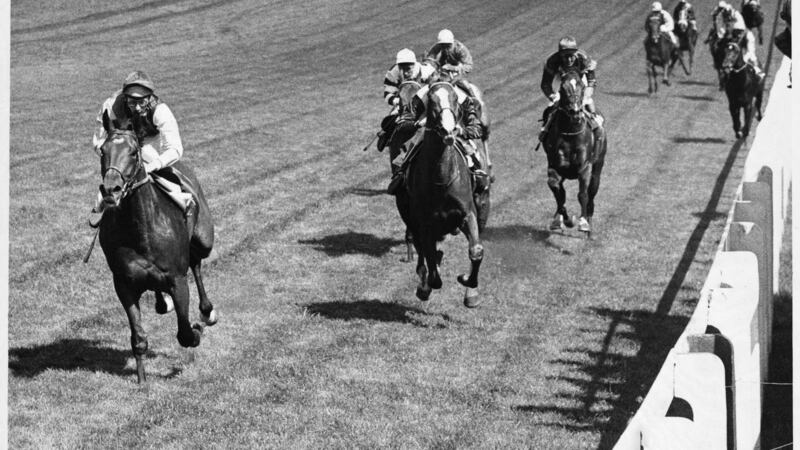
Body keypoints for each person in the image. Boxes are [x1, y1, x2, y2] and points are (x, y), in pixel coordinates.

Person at [90, 71, 193, 225]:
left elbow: (175, 148)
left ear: (149, 98)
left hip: (151, 142)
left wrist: (152, 165)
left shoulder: (160, 111)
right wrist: (114, 156)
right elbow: (98, 140)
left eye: (142, 102)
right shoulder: (110, 106)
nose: (137, 108)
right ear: (125, 98)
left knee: (148, 158)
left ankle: (180, 197)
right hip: (122, 142)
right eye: (132, 102)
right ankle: (104, 198)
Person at [386, 63, 486, 195]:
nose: (440, 78)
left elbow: (477, 129)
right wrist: (417, 124)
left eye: (445, 75)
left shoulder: (460, 96)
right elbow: (404, 122)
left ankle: (476, 171)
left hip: (454, 130)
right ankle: (401, 173)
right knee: (412, 145)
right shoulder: (422, 94)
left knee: (470, 148)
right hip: (428, 130)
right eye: (438, 76)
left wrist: (461, 131)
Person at [423, 29, 489, 140]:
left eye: (447, 45)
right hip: (441, 76)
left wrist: (452, 68)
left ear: (452, 42)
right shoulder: (436, 48)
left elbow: (469, 65)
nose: (445, 48)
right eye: (442, 45)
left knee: (468, 89)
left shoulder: (460, 48)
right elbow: (429, 61)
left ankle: (476, 112)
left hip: (457, 75)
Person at [538, 36, 602, 144]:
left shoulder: (584, 59)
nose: (569, 60)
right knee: (552, 106)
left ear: (576, 53)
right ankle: (546, 128)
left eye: (571, 56)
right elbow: (545, 84)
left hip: (580, 79)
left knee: (587, 101)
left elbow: (591, 81)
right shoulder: (552, 61)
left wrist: (586, 95)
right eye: (565, 57)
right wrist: (553, 96)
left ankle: (596, 124)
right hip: (561, 80)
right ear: (560, 55)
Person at [376, 48, 435, 152]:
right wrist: (397, 101)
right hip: (402, 102)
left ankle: (469, 153)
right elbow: (388, 93)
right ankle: (387, 137)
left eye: (408, 68)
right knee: (390, 121)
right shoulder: (393, 73)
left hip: (425, 103)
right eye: (401, 67)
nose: (405, 72)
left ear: (414, 64)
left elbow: (438, 90)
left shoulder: (426, 71)